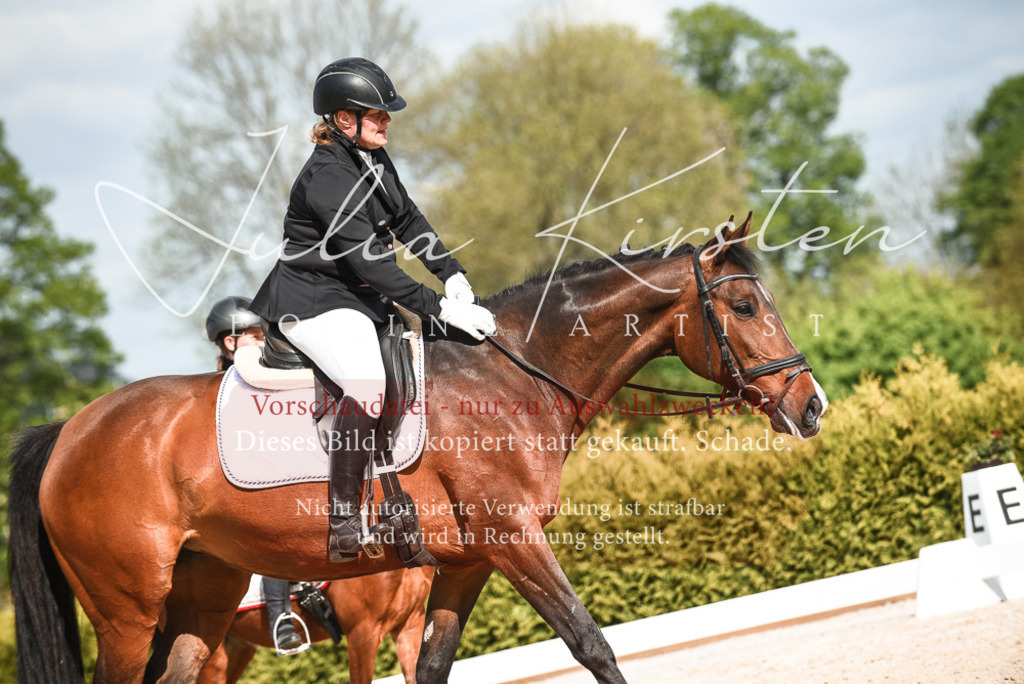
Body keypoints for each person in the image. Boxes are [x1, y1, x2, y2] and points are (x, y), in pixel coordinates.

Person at [250, 57, 496, 562]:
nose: (387, 122)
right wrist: (440, 309)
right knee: (366, 383)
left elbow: (407, 220)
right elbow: (373, 263)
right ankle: (344, 517)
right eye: (377, 115)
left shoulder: (373, 159)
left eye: (386, 115)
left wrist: (451, 271)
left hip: (359, 298)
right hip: (314, 302)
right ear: (344, 120)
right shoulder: (326, 177)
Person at [206, 296, 304, 653]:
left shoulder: (268, 372)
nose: (263, 340)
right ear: (230, 343)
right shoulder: (222, 386)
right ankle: (281, 619)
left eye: (262, 333)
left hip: (279, 464)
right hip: (243, 477)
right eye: (253, 335)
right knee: (279, 530)